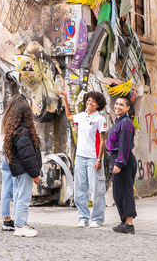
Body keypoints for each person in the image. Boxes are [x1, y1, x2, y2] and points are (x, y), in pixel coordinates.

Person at [61, 90, 107, 228]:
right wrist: (65, 101)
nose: (89, 102)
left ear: (98, 105)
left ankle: (97, 219)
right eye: (88, 100)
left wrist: (99, 159)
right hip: (80, 157)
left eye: (93, 101)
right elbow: (69, 116)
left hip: (93, 158)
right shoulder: (81, 116)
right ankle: (83, 218)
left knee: (96, 189)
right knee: (80, 189)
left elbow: (103, 140)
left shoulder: (100, 119)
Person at [3, 102, 42, 237]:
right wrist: (35, 174)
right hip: (24, 170)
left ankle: (21, 223)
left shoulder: (16, 129)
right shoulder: (23, 131)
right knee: (23, 198)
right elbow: (28, 155)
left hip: (19, 170)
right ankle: (20, 226)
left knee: (20, 197)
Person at [0, 95, 26, 231]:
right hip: (15, 155)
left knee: (6, 187)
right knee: (18, 187)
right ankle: (19, 220)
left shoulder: (4, 120)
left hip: (4, 155)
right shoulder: (18, 121)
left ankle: (6, 220)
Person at [106, 95, 137, 234]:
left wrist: (119, 163)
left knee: (125, 191)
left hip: (123, 160)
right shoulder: (119, 121)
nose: (118, 106)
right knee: (118, 192)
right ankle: (124, 221)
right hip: (118, 158)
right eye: (117, 104)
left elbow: (124, 145)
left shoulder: (125, 123)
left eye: (121, 105)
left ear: (128, 108)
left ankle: (129, 225)